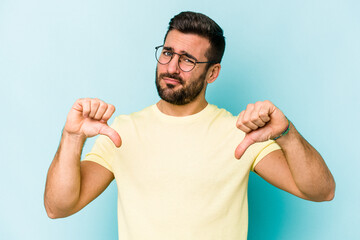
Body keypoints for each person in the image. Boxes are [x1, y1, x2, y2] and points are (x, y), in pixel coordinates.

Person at [44, 11, 335, 240]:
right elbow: (58, 207)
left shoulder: (239, 134)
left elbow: (321, 191)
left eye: (188, 60)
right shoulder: (122, 131)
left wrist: (287, 134)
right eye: (168, 53)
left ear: (213, 73)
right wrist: (72, 138)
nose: (171, 67)